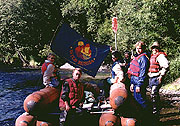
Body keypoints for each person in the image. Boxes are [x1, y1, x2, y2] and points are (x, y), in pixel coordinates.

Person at [148, 42, 169, 123]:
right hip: (151, 77)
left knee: (154, 94)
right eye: (153, 48)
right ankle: (157, 110)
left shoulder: (160, 56)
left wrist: (161, 76)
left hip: (157, 77)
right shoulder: (152, 56)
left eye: (156, 48)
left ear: (158, 48)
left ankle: (156, 112)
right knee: (153, 94)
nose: (154, 49)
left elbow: (166, 66)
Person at [127, 41, 150, 110]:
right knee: (137, 100)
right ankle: (143, 116)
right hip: (135, 81)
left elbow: (143, 73)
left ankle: (149, 116)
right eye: (137, 48)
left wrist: (139, 85)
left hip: (139, 82)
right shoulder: (138, 57)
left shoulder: (143, 58)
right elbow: (133, 73)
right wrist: (132, 83)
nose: (138, 50)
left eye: (140, 48)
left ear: (143, 48)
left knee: (141, 100)